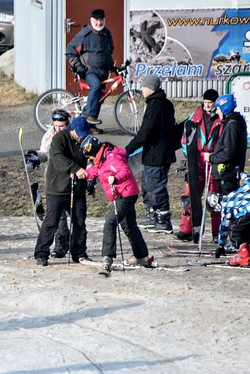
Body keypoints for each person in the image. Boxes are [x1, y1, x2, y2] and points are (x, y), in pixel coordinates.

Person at [82, 136, 150, 272]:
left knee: (110, 222)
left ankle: (107, 257)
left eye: (89, 156)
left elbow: (124, 170)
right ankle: (141, 256)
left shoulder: (112, 158)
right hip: (123, 194)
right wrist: (84, 173)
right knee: (129, 226)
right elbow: (98, 170)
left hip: (126, 195)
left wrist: (116, 178)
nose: (89, 159)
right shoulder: (102, 157)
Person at [34, 116, 91, 266]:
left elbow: (91, 157)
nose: (81, 136)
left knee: (79, 222)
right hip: (57, 188)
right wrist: (75, 168)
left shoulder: (85, 140)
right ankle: (41, 253)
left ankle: (79, 252)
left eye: (83, 134)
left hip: (77, 188)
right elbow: (58, 158)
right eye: (79, 133)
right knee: (51, 222)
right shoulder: (59, 138)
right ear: (71, 129)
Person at [125, 74, 177, 234]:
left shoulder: (156, 105)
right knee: (147, 185)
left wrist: (127, 150)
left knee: (156, 186)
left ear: (151, 88)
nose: (141, 89)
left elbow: (145, 132)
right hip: (152, 153)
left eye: (143, 86)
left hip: (158, 154)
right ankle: (152, 217)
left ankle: (163, 221)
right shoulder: (162, 103)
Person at [175, 89, 222, 243]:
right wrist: (189, 156)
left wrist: (216, 156)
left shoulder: (222, 118)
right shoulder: (194, 117)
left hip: (214, 161)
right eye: (206, 102)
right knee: (190, 196)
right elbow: (185, 139)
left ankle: (218, 233)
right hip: (197, 160)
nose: (208, 105)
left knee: (215, 199)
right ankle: (187, 229)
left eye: (211, 102)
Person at [24, 108, 71, 258]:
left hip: (71, 179)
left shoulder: (73, 134)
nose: (58, 128)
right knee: (58, 214)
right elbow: (45, 153)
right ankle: (61, 243)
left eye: (61, 126)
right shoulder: (49, 135)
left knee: (76, 215)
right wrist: (35, 155)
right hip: (54, 181)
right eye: (56, 125)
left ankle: (77, 245)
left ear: (68, 123)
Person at [65, 8, 114, 126]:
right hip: (88, 70)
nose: (99, 23)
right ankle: (89, 116)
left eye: (101, 20)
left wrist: (113, 67)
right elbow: (70, 51)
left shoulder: (106, 34)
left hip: (102, 71)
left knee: (100, 97)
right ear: (91, 20)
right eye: (96, 20)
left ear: (104, 20)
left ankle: (90, 126)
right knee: (96, 85)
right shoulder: (85, 34)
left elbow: (108, 52)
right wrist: (78, 66)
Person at [205, 93, 248, 225]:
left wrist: (211, 157)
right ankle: (229, 238)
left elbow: (228, 153)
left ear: (224, 108)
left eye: (218, 108)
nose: (216, 111)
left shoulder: (232, 127)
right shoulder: (232, 124)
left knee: (228, 208)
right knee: (225, 207)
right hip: (227, 172)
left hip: (227, 174)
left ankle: (231, 238)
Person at [215, 172, 250, 266]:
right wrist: (241, 174)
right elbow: (248, 180)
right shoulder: (240, 190)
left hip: (248, 210)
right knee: (246, 230)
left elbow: (224, 227)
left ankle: (243, 256)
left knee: (234, 231)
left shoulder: (225, 204)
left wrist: (221, 245)